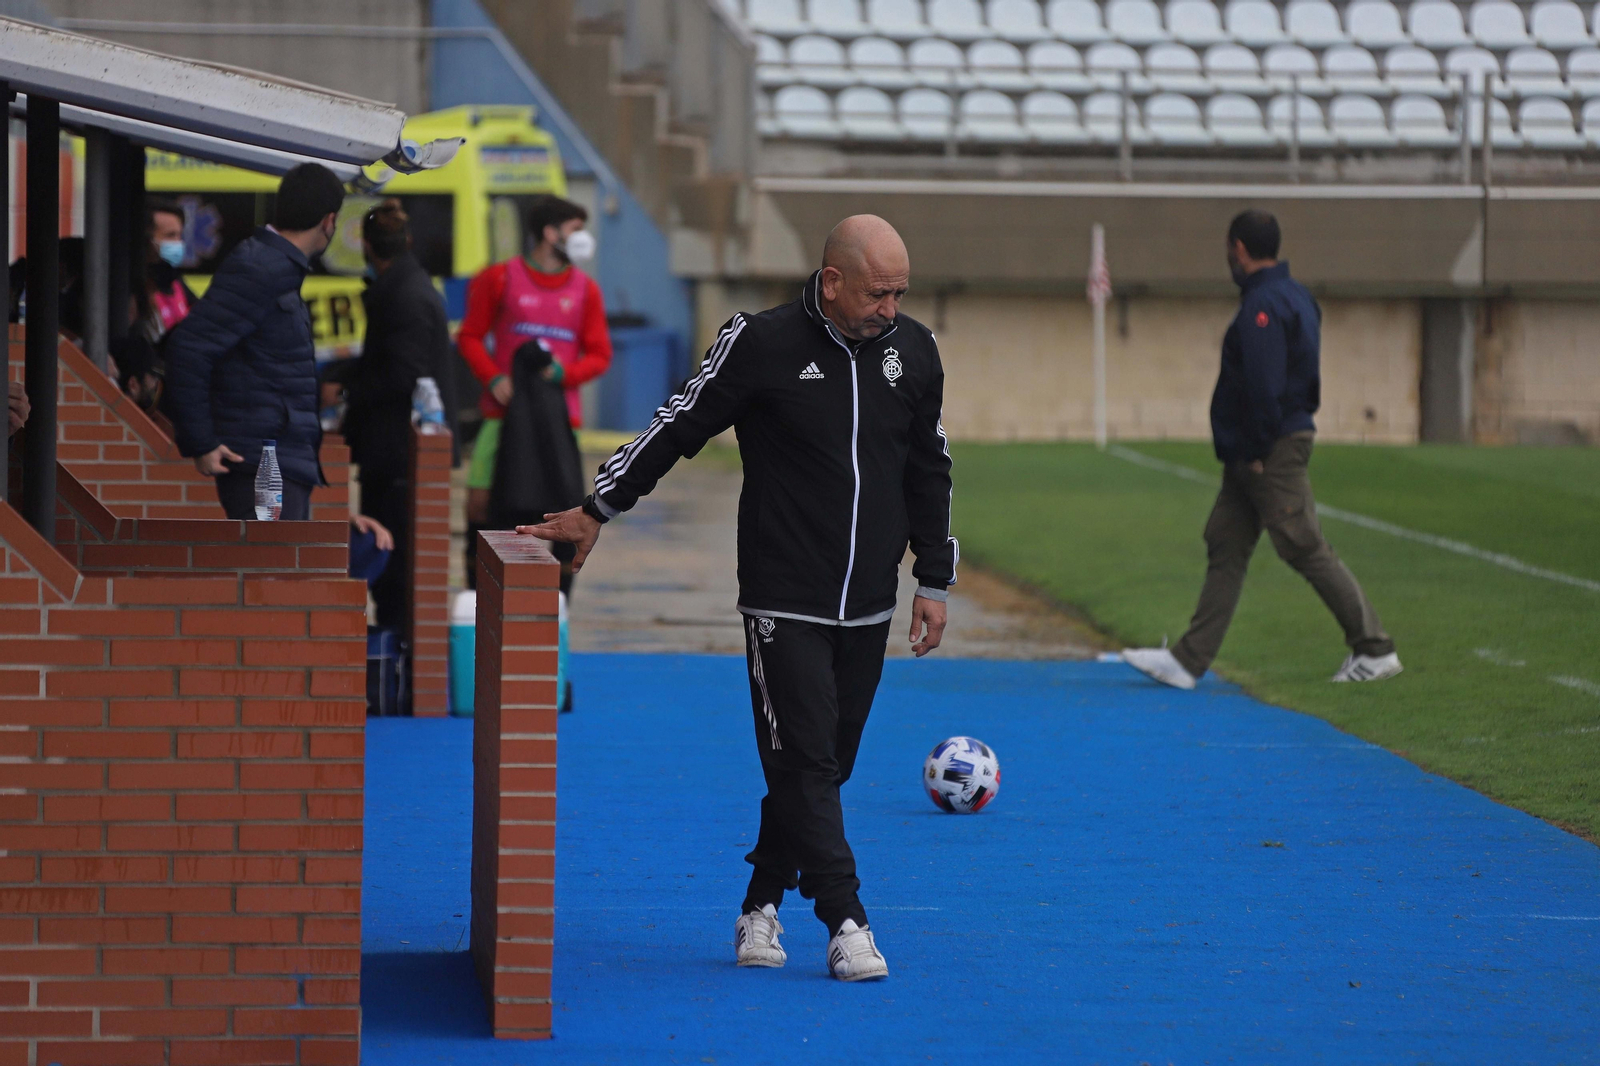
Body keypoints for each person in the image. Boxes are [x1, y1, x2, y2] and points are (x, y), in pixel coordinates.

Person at [523, 215, 958, 982]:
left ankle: (760, 902)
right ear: (831, 282)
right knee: (808, 760)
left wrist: (932, 577)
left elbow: (930, 466)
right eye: (877, 293)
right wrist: (599, 508)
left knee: (823, 766)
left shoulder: (914, 352)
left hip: (869, 601)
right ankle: (846, 920)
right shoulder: (760, 343)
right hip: (781, 594)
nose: (891, 308)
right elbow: (677, 425)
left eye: (900, 293)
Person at [1122, 210, 1401, 689]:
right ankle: (1188, 661)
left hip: (1266, 449)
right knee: (1225, 543)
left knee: (1302, 544)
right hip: (1258, 448)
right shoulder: (1298, 296)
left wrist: (1255, 448)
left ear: (1240, 249)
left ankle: (1375, 649)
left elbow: (1264, 385)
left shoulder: (1263, 305)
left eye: (1230, 250)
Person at [163, 163, 346, 521]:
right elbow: (189, 348)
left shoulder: (275, 265)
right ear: (328, 221)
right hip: (262, 465)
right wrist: (202, 442)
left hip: (275, 462)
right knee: (273, 575)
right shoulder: (261, 268)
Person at [455, 194, 610, 579]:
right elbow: (470, 336)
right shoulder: (500, 278)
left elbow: (600, 355)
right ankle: (480, 586)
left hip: (560, 422)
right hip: (502, 417)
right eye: (576, 229)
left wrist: (563, 375)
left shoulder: (586, 290)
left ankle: (556, 599)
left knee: (562, 511)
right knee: (480, 506)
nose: (582, 238)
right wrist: (493, 377)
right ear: (550, 232)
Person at [340, 201, 455, 628]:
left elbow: (400, 373)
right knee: (396, 570)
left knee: (395, 569)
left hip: (397, 457)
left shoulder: (403, 296)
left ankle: (396, 662)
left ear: (367, 247)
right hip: (393, 455)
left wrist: (348, 388)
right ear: (406, 241)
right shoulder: (409, 286)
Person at [116, 199, 198, 410]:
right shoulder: (131, 289)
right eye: (170, 236)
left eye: (180, 235)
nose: (177, 243)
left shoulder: (177, 284)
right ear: (147, 240)